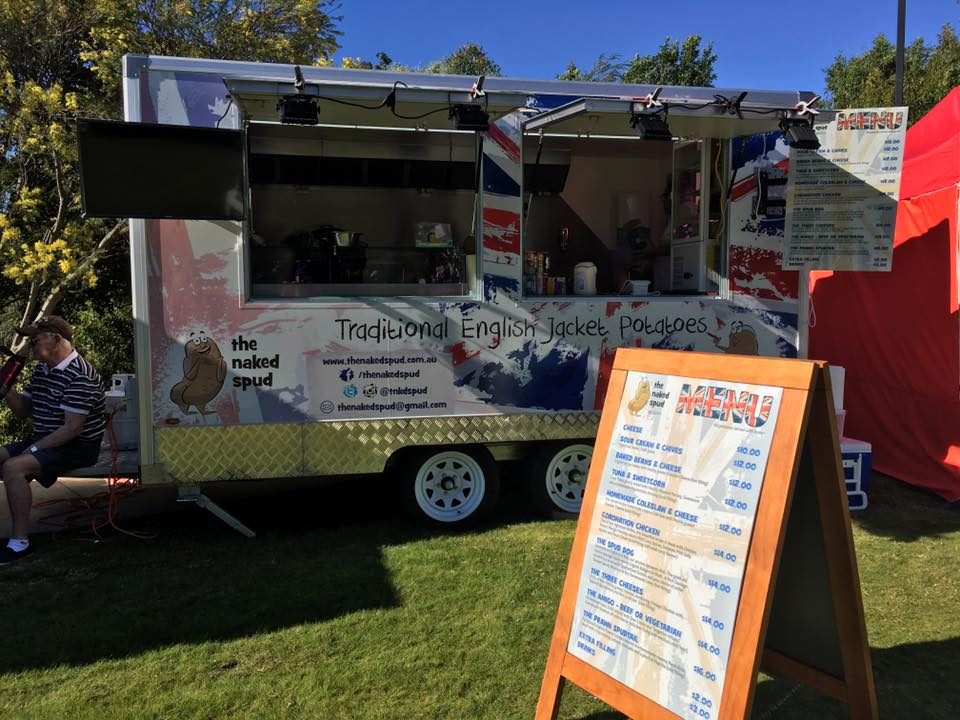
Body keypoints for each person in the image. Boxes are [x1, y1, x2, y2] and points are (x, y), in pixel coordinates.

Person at [0, 316, 105, 564]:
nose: (30, 346)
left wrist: (33, 450)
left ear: (56, 339)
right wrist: (7, 389)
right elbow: (25, 411)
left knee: (13, 467)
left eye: (34, 340)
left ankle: (20, 543)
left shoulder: (81, 375)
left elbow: (72, 429)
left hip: (76, 447)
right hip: (46, 438)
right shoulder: (42, 370)